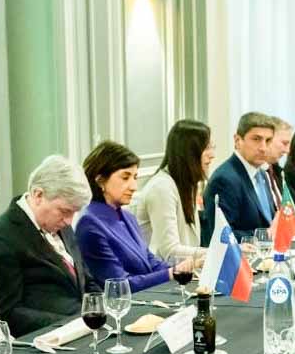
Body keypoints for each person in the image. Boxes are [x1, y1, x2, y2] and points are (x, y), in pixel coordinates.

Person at [0, 155, 98, 337]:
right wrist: (71, 323)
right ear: (38, 195)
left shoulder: (60, 223)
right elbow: (9, 312)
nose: (69, 221)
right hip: (47, 338)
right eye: (65, 211)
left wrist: (101, 308)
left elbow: (86, 279)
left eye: (74, 213)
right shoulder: (2, 234)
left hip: (83, 331)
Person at [77, 140, 186, 293]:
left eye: (135, 177)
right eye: (125, 177)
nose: (134, 186)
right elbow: (118, 285)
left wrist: (181, 269)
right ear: (100, 181)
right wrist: (170, 273)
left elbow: (150, 261)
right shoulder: (89, 224)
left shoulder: (127, 217)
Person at [130, 119, 213, 261]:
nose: (212, 154)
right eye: (206, 148)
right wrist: (215, 254)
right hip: (162, 271)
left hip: (185, 268)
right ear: (189, 153)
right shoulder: (161, 188)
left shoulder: (186, 183)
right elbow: (170, 251)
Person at [201, 112, 277, 244]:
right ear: (237, 140)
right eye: (256, 139)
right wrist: (266, 235)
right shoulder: (224, 179)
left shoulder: (262, 173)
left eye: (268, 141)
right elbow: (222, 236)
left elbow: (267, 221)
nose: (263, 148)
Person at [264, 116, 292, 208]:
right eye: (284, 143)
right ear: (268, 140)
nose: (287, 150)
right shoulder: (256, 174)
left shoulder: (277, 171)